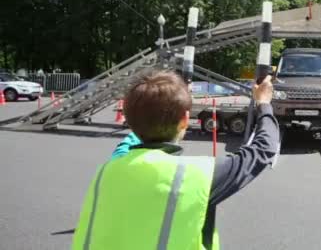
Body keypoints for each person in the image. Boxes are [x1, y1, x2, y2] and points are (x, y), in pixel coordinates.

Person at [72, 69, 279, 250]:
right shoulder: (194, 176)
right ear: (185, 120)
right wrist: (263, 104)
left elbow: (137, 130)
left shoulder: (107, 171)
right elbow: (263, 149)